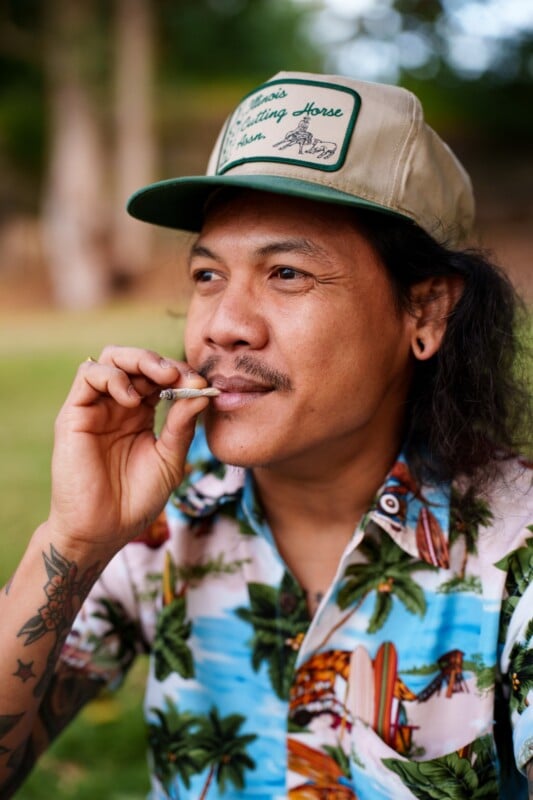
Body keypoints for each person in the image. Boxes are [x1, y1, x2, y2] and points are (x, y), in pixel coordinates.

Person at [1, 71, 532, 800]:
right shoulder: (163, 515)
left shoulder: (517, 550)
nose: (223, 324)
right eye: (207, 274)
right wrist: (73, 543)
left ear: (425, 312)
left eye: (286, 272)